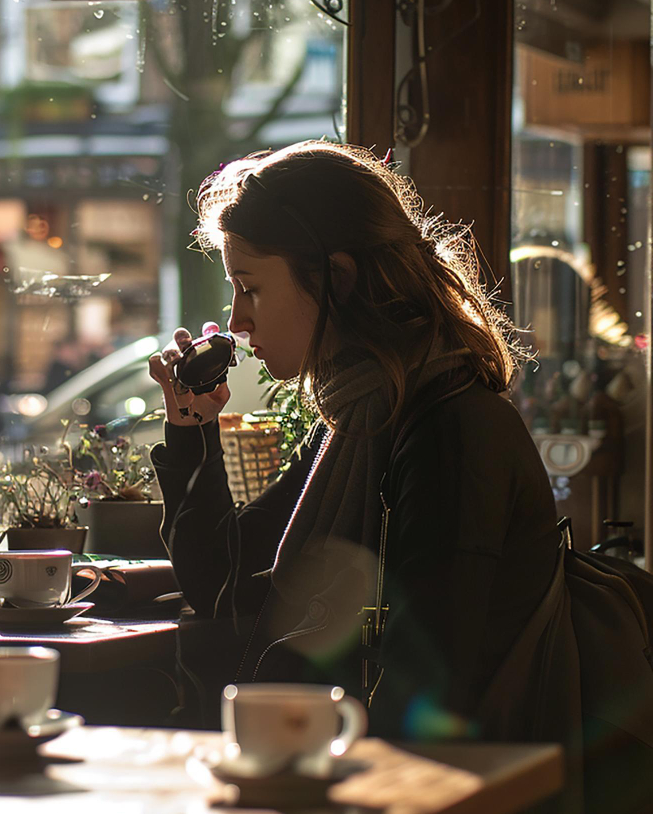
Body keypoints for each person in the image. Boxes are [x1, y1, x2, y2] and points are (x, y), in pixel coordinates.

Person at [147, 141, 562, 748]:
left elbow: (427, 700)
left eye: (252, 288)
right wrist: (190, 428)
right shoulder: (356, 422)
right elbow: (219, 581)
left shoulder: (451, 433)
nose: (237, 321)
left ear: (337, 278)